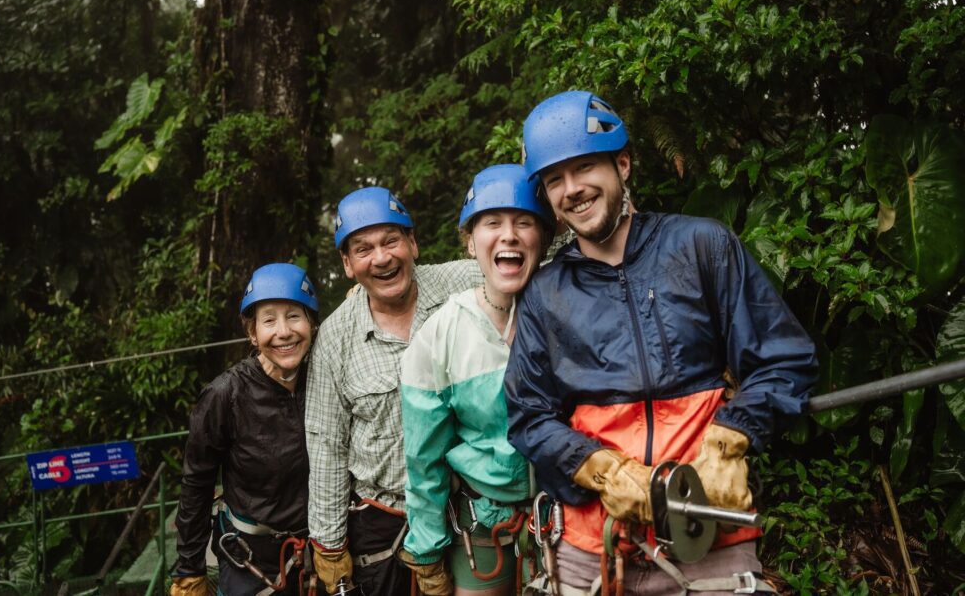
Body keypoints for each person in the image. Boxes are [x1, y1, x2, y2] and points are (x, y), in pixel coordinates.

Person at [504, 91, 819, 595]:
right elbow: (528, 415)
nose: (572, 190)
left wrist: (728, 440)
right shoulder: (546, 293)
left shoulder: (702, 247)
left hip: (709, 534)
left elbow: (784, 360)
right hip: (593, 550)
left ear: (623, 165)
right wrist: (602, 470)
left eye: (584, 167)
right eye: (554, 179)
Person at [305, 186, 481, 596]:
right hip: (383, 523)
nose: (381, 257)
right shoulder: (335, 338)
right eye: (363, 249)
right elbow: (327, 447)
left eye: (391, 240)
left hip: (468, 511)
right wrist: (330, 547)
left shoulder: (462, 285)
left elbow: (532, 260)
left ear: (413, 243)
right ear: (348, 265)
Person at [399, 165, 553, 596]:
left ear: (542, 238)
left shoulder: (565, 312)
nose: (509, 235)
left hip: (565, 521)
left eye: (524, 222)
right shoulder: (440, 335)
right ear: (470, 242)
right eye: (492, 223)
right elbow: (423, 459)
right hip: (484, 529)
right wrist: (427, 554)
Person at [171, 263, 321, 596]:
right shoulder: (225, 396)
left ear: (311, 324)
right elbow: (197, 483)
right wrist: (189, 568)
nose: (284, 332)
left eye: (294, 316)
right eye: (269, 320)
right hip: (251, 559)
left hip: (322, 550)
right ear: (253, 333)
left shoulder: (323, 379)